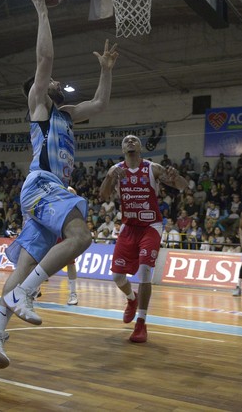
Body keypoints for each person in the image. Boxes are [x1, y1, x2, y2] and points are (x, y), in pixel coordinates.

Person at [0, 0, 119, 369]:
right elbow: (45, 57)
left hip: (45, 192)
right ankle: (27, 293)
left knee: (22, 267)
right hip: (42, 185)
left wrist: (105, 71)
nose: (57, 82)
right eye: (51, 81)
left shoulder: (67, 114)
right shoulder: (39, 106)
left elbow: (101, 103)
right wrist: (42, 11)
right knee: (82, 236)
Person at [99, 134, 188, 343]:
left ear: (140, 147)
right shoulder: (117, 171)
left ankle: (141, 323)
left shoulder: (153, 168)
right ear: (122, 149)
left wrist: (176, 176)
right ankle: (131, 299)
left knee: (145, 271)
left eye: (134, 140)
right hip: (129, 226)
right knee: (117, 277)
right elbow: (103, 196)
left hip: (151, 225)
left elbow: (183, 186)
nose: (130, 142)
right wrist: (109, 177)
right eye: (126, 141)